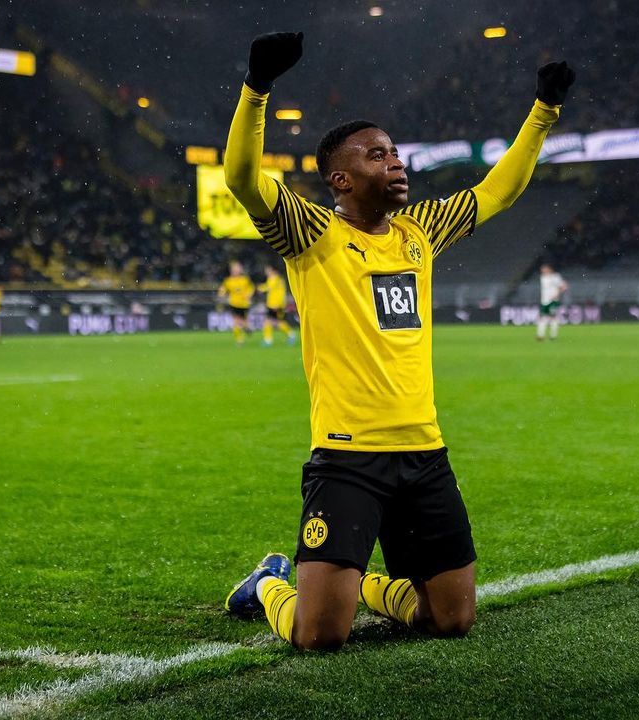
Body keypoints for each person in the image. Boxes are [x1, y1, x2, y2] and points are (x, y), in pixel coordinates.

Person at [221, 31, 575, 650]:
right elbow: (244, 179)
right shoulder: (313, 234)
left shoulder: (420, 231)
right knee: (317, 636)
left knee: (452, 620)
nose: (397, 162)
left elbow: (498, 191)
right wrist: (257, 90)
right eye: (377, 155)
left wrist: (543, 111)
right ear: (340, 178)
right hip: (348, 457)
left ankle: (357, 584)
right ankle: (270, 585)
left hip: (424, 452)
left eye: (395, 153)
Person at [218, 260, 255, 346]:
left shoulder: (245, 279)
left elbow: (251, 288)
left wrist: (249, 294)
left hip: (244, 304)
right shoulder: (228, 281)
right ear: (232, 270)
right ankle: (240, 340)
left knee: (243, 321)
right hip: (234, 303)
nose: (237, 270)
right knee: (236, 321)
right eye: (235, 268)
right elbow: (223, 289)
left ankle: (247, 327)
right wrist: (221, 293)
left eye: (238, 268)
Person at [258, 264, 296, 346]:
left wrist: (278, 304)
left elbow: (277, 291)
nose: (266, 272)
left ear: (273, 270)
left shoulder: (275, 279)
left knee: (276, 322)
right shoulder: (275, 279)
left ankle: (289, 335)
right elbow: (270, 288)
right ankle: (289, 335)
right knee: (272, 322)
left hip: (275, 305)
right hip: (274, 304)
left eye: (267, 270)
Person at [536, 263, 568, 341]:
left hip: (553, 301)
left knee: (552, 317)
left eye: (544, 268)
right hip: (544, 301)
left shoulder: (555, 277)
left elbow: (564, 286)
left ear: (549, 269)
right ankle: (541, 335)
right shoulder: (542, 277)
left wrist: (557, 294)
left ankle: (552, 336)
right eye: (542, 269)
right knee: (542, 317)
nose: (543, 270)